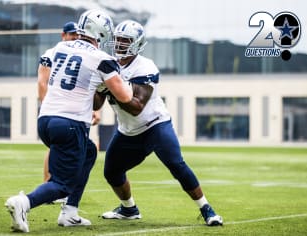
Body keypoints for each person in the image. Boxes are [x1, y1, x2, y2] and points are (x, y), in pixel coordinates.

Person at [5, 9, 133, 233]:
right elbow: (125, 97)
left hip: (46, 119)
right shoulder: (102, 58)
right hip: (70, 122)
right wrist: (120, 81)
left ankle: (70, 212)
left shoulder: (58, 47)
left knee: (90, 151)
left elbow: (48, 75)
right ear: (100, 32)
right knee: (62, 183)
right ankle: (24, 203)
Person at [94, 20, 223, 226]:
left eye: (125, 41)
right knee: (111, 171)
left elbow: (137, 106)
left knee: (176, 165)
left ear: (136, 44)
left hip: (155, 125)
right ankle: (129, 209)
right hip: (128, 131)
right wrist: (98, 87)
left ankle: (206, 208)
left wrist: (111, 87)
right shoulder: (108, 64)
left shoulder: (145, 66)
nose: (119, 44)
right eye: (117, 39)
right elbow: (96, 104)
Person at [37, 22, 101, 204]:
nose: (74, 37)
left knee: (84, 148)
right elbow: (43, 82)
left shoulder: (82, 53)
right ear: (62, 35)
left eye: (76, 34)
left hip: (74, 111)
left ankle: (60, 188)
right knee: (60, 148)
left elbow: (83, 85)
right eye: (71, 34)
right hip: (59, 110)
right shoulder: (53, 52)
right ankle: (51, 186)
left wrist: (93, 109)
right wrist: (48, 106)